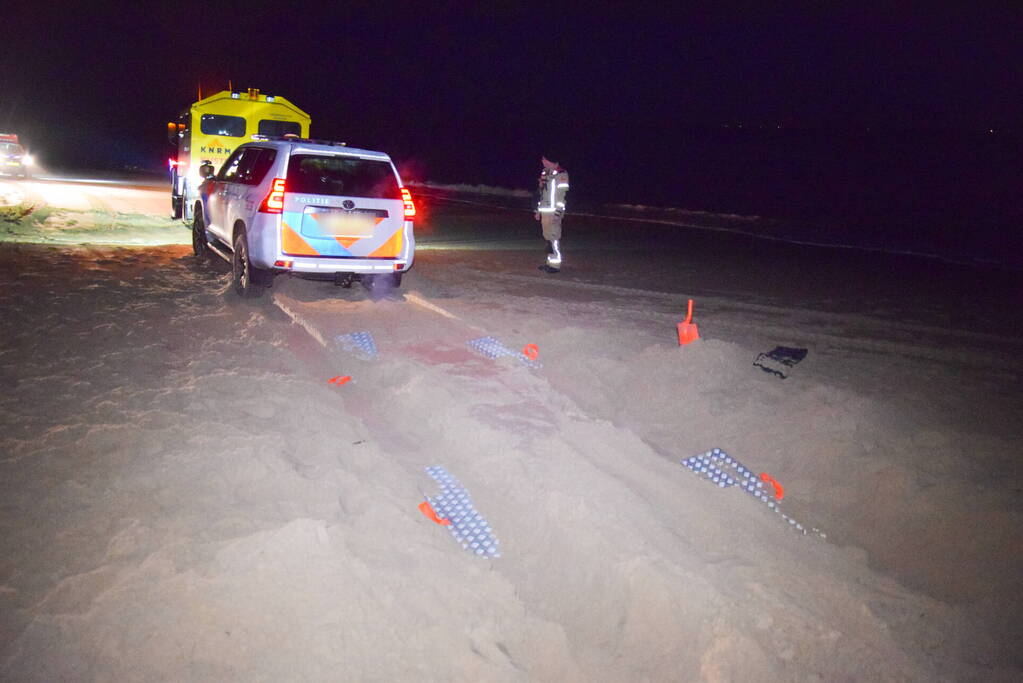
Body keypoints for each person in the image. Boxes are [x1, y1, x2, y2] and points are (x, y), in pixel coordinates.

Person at [534, 156, 570, 273]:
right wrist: (538, 210)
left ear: (551, 160)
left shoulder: (561, 174)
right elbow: (542, 193)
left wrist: (558, 212)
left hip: (554, 211)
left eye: (545, 160)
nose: (542, 162)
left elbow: (562, 196)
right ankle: (549, 262)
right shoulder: (545, 172)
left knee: (554, 237)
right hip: (545, 210)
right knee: (548, 238)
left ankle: (555, 265)